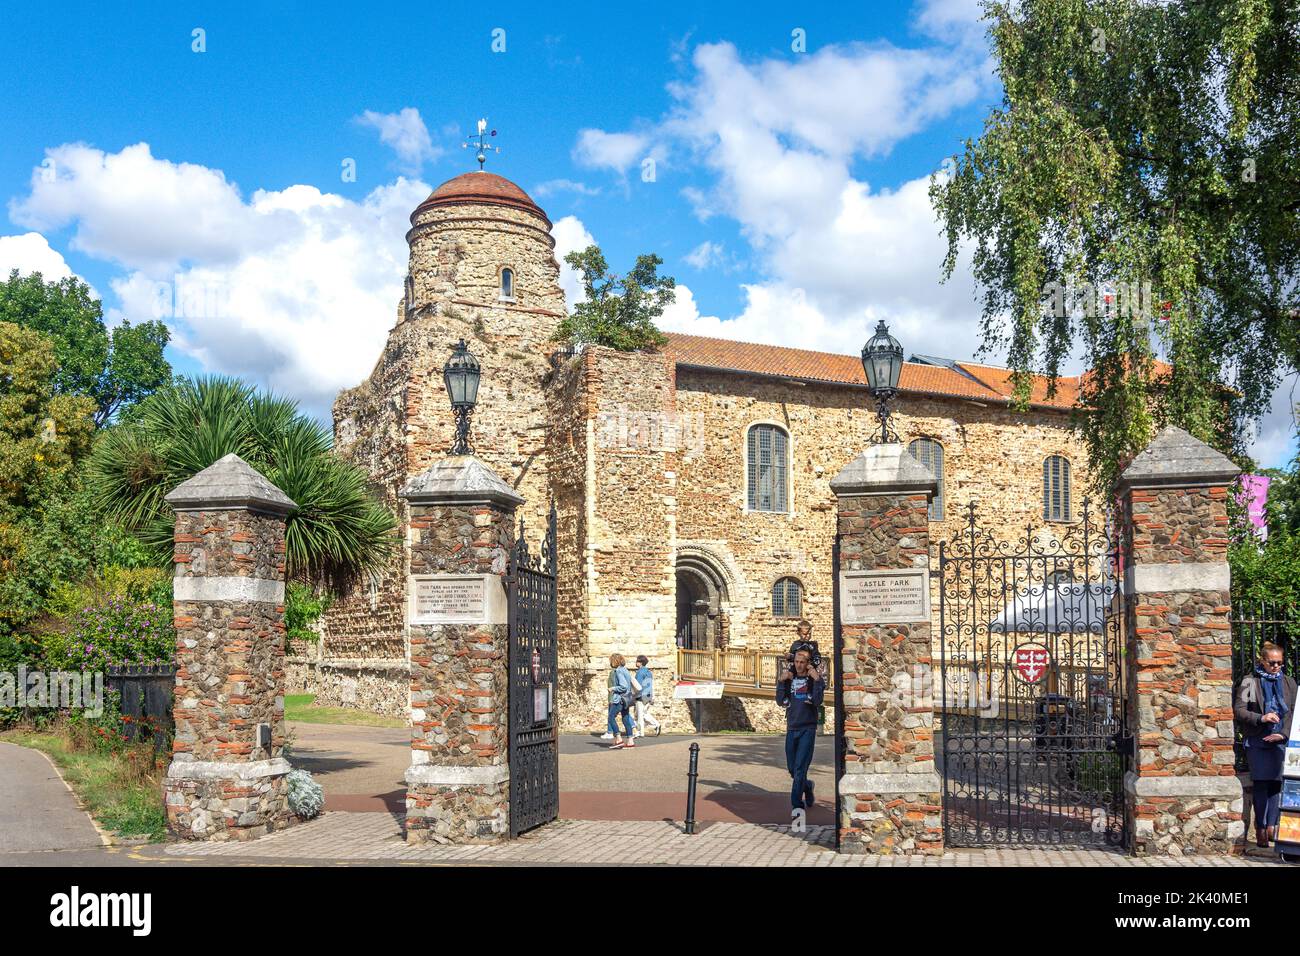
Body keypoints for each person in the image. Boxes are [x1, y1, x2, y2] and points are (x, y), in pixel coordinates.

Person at [1233, 642, 1296, 848]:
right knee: (1261, 783)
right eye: (1272, 663)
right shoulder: (1251, 683)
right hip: (1258, 740)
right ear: (1262, 661)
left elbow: (1294, 713)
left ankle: (1272, 826)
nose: (1276, 666)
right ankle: (1260, 828)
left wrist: (1283, 735)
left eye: (1279, 663)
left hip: (1280, 741)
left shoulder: (1289, 683)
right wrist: (1262, 718)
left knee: (1277, 783)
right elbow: (1240, 711)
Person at [776, 644, 825, 819]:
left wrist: (818, 680)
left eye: (802, 662)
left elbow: (818, 701)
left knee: (799, 769)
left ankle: (797, 807)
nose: (798, 665)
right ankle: (807, 786)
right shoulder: (789, 678)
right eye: (796, 661)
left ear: (808, 663)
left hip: (807, 729)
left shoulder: (814, 679)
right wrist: (781, 682)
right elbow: (780, 701)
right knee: (792, 769)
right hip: (792, 728)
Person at [606, 653, 636, 749]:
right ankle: (630, 741)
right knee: (625, 718)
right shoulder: (625, 670)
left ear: (614, 661)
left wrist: (613, 688)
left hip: (619, 699)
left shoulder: (618, 671)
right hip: (626, 699)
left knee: (611, 717)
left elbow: (623, 686)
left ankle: (618, 738)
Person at [632, 654, 662, 737]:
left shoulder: (639, 673)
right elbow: (649, 685)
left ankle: (640, 732)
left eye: (637, 661)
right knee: (643, 714)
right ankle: (656, 725)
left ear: (640, 663)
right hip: (647, 695)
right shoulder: (649, 672)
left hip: (641, 695)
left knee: (639, 715)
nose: (636, 662)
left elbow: (637, 686)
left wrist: (633, 695)